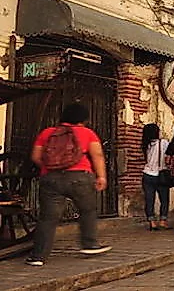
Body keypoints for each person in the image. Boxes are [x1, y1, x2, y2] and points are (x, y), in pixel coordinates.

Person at [26, 103, 111, 266]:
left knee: (47, 218)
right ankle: (89, 244)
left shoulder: (48, 133)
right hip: (80, 177)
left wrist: (49, 169)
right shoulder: (87, 133)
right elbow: (98, 155)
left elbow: (36, 156)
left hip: (50, 179)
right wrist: (101, 176)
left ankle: (38, 256)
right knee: (87, 210)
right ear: (83, 119)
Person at [141, 123, 170, 231]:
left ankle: (152, 222)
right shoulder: (163, 143)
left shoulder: (145, 144)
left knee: (149, 199)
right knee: (164, 199)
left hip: (147, 174)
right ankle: (163, 220)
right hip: (161, 174)